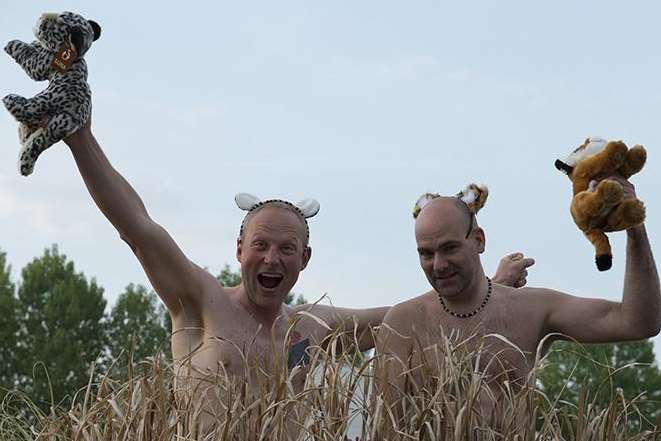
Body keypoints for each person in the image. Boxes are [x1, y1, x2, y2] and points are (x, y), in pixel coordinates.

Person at [60, 118, 532, 429]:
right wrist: (79, 134)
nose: (271, 259)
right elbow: (138, 228)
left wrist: (493, 286)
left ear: (305, 260)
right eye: (260, 246)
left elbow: (419, 316)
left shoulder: (312, 329)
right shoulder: (201, 302)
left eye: (287, 249)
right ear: (239, 249)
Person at [375, 181, 661, 430]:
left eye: (450, 248)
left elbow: (638, 322)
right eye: (426, 254)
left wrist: (634, 225)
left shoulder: (532, 309)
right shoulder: (403, 324)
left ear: (478, 240)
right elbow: (387, 431)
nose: (438, 265)